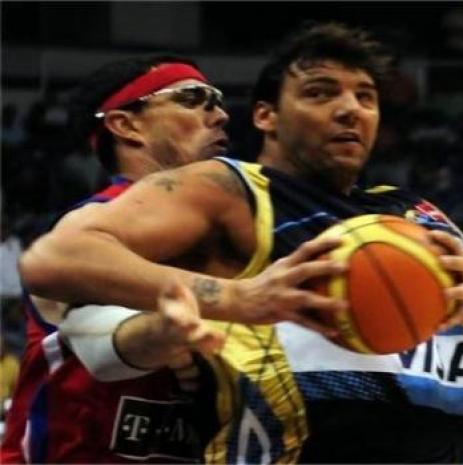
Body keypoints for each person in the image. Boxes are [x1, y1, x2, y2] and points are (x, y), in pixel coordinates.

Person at [19, 22, 463, 463]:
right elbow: (69, 282)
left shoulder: (415, 217)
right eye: (321, 92)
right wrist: (228, 302)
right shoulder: (223, 193)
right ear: (266, 116)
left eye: (366, 96)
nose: (350, 109)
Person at [2, 53, 344, 463]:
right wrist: (169, 331)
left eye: (218, 102)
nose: (220, 116)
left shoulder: (236, 231)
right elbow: (99, 341)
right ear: (126, 125)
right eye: (192, 98)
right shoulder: (90, 229)